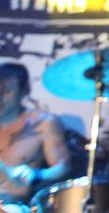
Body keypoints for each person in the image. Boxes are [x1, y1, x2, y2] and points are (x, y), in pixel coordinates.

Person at [0, 62, 70, 211]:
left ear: (24, 91)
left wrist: (35, 175)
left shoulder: (43, 123)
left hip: (13, 205)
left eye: (6, 92)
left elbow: (62, 168)